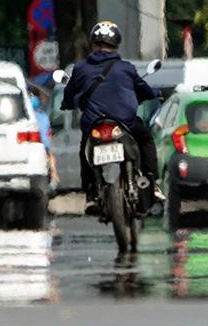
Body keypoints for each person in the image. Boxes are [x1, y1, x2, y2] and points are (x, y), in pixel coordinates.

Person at [60, 21, 159, 211]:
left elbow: (69, 95)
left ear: (93, 43)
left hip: (94, 125)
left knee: (84, 150)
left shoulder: (80, 68)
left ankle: (90, 193)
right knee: (146, 139)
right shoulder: (126, 68)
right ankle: (152, 183)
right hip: (125, 123)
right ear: (115, 44)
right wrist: (154, 94)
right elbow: (144, 89)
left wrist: (67, 104)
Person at [30, 93, 59, 187]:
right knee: (51, 156)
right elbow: (48, 131)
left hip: (35, 143)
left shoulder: (31, 118)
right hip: (45, 143)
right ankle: (54, 176)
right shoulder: (43, 116)